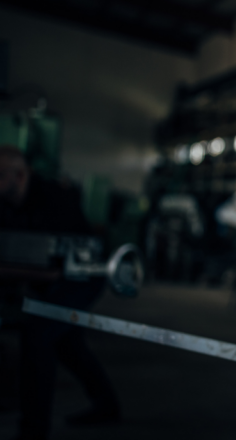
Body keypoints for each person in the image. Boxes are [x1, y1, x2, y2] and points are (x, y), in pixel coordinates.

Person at [0, 146, 120, 440]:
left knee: (38, 336)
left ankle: (33, 432)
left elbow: (57, 271)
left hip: (80, 279)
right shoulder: (6, 202)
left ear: (19, 175)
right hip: (44, 278)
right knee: (67, 345)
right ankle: (107, 405)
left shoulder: (56, 200)